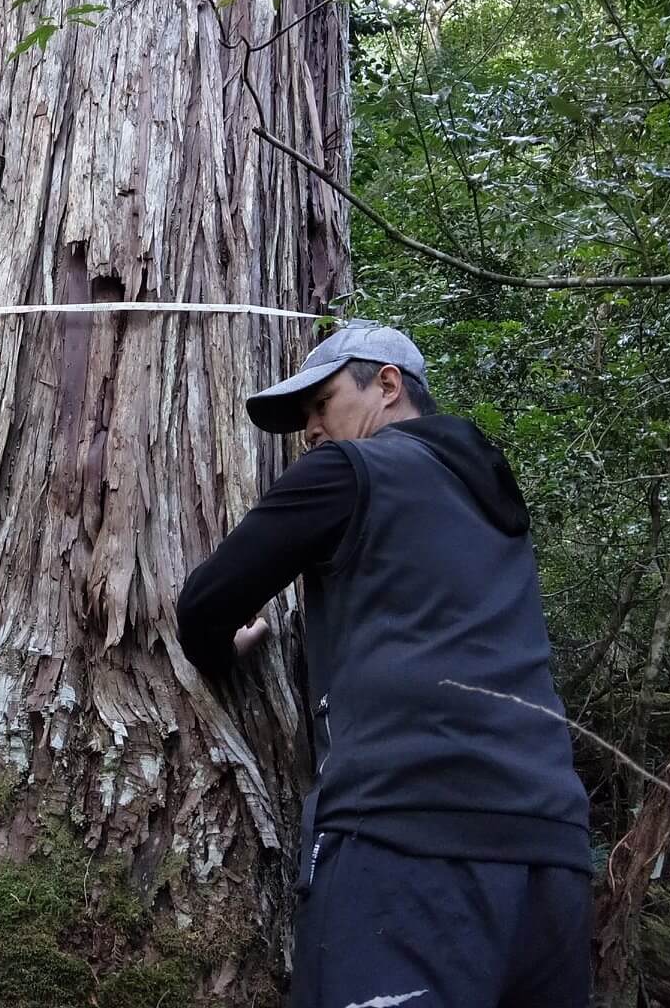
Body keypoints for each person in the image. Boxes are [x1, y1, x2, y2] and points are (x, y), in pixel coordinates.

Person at [175, 322, 591, 1008]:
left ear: (388, 385)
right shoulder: (495, 511)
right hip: (552, 855)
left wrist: (223, 653)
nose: (310, 429)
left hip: (406, 840)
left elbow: (205, 604)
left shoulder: (351, 469)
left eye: (322, 403)